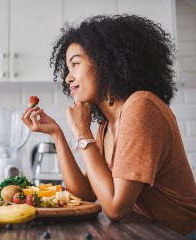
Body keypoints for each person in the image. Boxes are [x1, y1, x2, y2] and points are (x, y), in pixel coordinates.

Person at [21, 15, 196, 237]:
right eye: (67, 68)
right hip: (147, 231)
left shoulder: (141, 107)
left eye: (75, 64)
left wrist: (83, 133)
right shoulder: (106, 125)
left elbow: (115, 208)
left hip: (182, 234)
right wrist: (57, 135)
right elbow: (85, 194)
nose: (68, 78)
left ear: (106, 62)